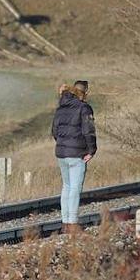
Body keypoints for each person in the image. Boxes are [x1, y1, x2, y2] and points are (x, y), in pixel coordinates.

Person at [52, 81, 97, 234]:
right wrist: (91, 150)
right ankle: (72, 223)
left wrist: (64, 144)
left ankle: (65, 222)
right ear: (85, 93)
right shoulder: (84, 108)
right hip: (77, 154)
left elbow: (54, 131)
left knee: (66, 186)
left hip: (61, 153)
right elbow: (88, 131)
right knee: (75, 188)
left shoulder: (61, 107)